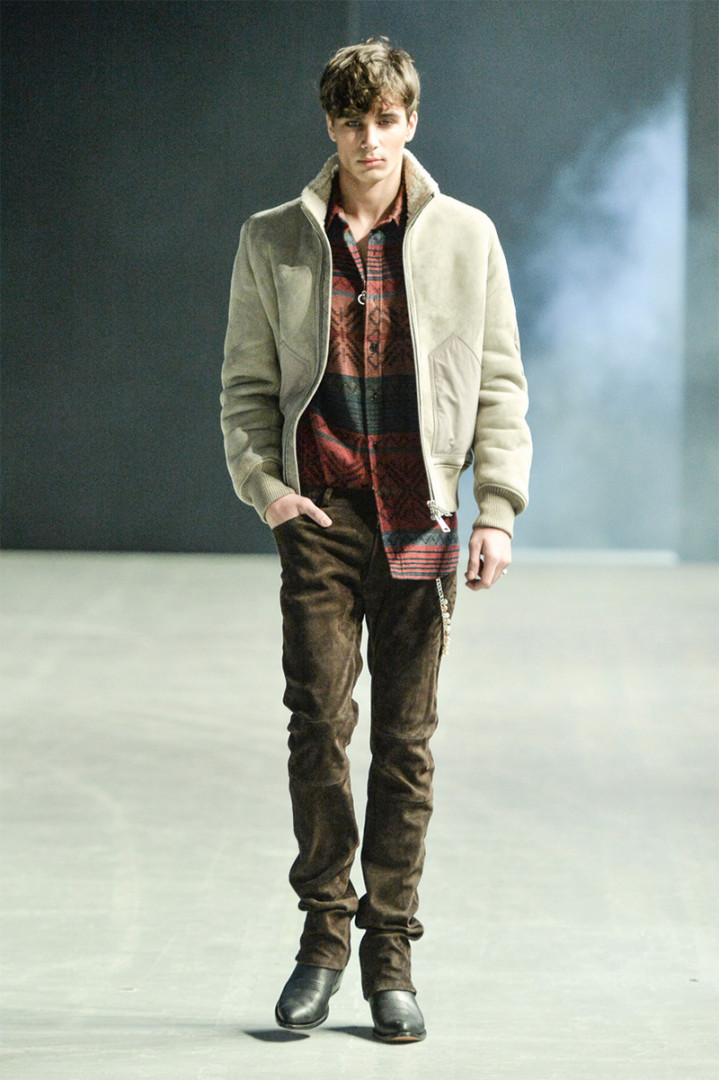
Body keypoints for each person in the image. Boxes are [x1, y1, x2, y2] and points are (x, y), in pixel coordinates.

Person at [221, 37, 531, 1043]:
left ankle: (388, 954)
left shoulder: (465, 237)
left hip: (421, 511)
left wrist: (496, 508)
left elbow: (497, 383)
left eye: (385, 119)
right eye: (352, 120)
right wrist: (267, 490)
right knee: (317, 722)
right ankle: (322, 938)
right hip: (319, 513)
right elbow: (245, 387)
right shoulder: (274, 239)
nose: (368, 138)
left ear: (410, 122)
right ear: (329, 124)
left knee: (404, 742)